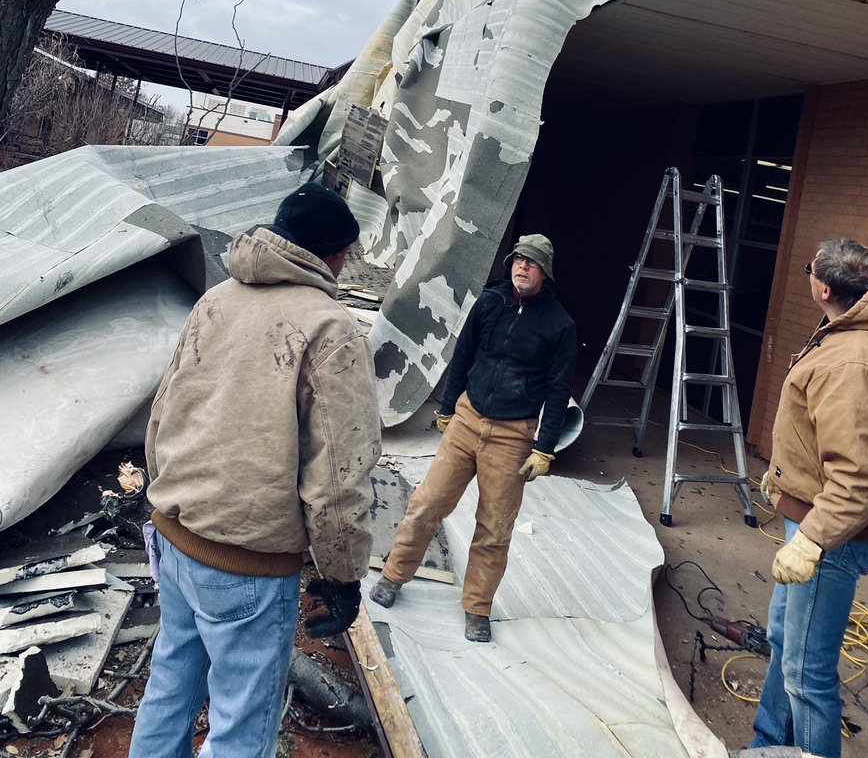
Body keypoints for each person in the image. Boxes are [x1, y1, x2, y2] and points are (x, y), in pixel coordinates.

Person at [129, 182, 382, 758]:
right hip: (247, 563)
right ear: (336, 254)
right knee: (241, 726)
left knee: (169, 687)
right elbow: (338, 478)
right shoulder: (332, 328)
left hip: (175, 537)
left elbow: (164, 410)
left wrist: (167, 494)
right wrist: (342, 575)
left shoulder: (217, 298)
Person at [369, 233, 576, 643]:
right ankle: (392, 577)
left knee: (494, 528)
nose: (522, 266)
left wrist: (545, 447)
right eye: (518, 259)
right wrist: (447, 408)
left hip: (513, 435)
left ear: (545, 273)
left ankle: (477, 609)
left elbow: (558, 390)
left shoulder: (559, 325)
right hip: (468, 418)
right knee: (427, 504)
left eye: (532, 262)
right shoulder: (490, 303)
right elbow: (462, 355)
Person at [749, 238, 868, 758]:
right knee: (782, 641)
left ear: (824, 288)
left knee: (806, 672)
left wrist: (811, 540)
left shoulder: (855, 362)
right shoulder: (845, 335)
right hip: (814, 518)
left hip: (830, 535)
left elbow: (861, 476)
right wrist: (785, 477)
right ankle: (771, 743)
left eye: (810, 269)